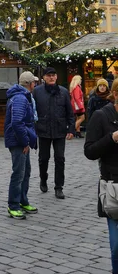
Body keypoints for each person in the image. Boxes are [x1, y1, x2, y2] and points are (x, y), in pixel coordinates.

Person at [84, 78, 118, 274]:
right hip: (113, 188)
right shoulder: (101, 116)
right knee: (116, 247)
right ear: (115, 95)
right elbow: (89, 151)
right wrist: (111, 138)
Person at [33, 67, 75, 199]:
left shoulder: (63, 92)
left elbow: (70, 112)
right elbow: (32, 111)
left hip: (59, 130)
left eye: (53, 75)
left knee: (60, 159)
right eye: (48, 75)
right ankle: (43, 179)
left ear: (56, 77)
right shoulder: (37, 91)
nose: (51, 77)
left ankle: (59, 187)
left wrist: (71, 128)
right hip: (43, 130)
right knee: (43, 159)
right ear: (44, 78)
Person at [4, 71, 38, 219]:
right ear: (29, 84)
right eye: (34, 82)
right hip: (18, 141)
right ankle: (13, 205)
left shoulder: (21, 96)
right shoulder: (20, 98)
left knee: (25, 172)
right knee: (19, 173)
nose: (35, 85)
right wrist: (25, 141)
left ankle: (22, 200)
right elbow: (17, 122)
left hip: (20, 139)